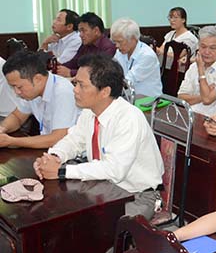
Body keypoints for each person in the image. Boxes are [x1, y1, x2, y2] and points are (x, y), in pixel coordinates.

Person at [33, 54, 164, 220]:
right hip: (102, 185)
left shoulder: (129, 118)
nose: (75, 90)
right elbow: (74, 140)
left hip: (136, 195)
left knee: (97, 229)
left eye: (81, 85)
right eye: (75, 83)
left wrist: (61, 171)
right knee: (59, 214)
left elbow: (114, 170)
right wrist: (54, 157)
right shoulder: (90, 111)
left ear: (104, 92)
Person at [0, 51, 79, 149]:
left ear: (38, 79)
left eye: (19, 87)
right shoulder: (32, 91)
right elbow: (17, 116)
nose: (17, 92)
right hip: (50, 149)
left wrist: (12, 141)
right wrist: (2, 129)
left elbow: (58, 138)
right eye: (13, 87)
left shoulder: (63, 92)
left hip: (69, 152)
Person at [177, 26, 216, 117]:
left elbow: (207, 100)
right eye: (203, 47)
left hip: (214, 119)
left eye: (212, 48)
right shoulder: (194, 67)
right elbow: (181, 97)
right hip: (191, 116)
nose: (207, 52)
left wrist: (201, 72)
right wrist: (204, 95)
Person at [110, 18, 162, 97]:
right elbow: (112, 72)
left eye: (120, 42)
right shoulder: (120, 52)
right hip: (128, 97)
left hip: (148, 100)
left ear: (133, 39)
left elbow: (127, 81)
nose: (116, 45)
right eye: (114, 42)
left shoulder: (147, 56)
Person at [56, 12, 116, 77]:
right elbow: (74, 62)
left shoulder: (108, 47)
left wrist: (71, 72)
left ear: (96, 31)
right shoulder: (85, 44)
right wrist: (59, 68)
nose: (80, 35)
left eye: (83, 31)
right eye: (79, 31)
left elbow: (98, 71)